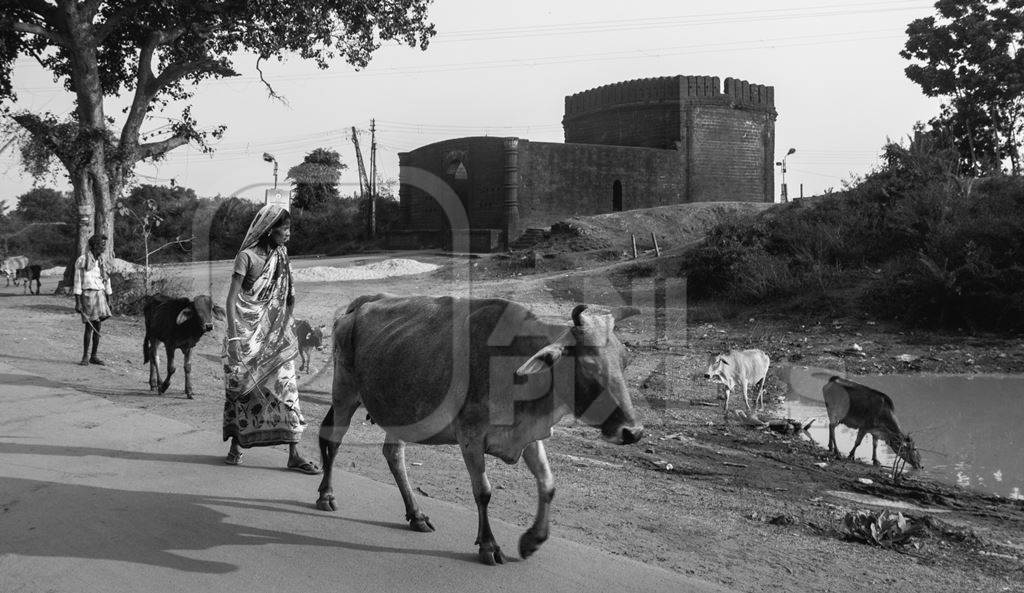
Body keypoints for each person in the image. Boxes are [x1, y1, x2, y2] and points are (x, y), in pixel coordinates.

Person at [222, 204, 320, 474]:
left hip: (276, 335)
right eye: (284, 228)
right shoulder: (246, 257)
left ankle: (294, 453)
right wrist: (233, 339)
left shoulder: (282, 255)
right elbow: (232, 300)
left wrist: (285, 328)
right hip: (245, 335)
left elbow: (286, 297)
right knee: (244, 389)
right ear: (268, 229)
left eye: (289, 228)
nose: (288, 233)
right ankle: (237, 446)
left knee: (287, 390)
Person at [73, 234, 112, 366]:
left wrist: (109, 298)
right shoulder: (82, 260)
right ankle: (85, 356)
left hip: (100, 295)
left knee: (98, 326)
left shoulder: (102, 261)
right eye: (101, 245)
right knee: (89, 327)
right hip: (87, 296)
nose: (104, 247)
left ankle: (94, 356)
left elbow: (107, 281)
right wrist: (77, 302)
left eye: (104, 245)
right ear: (93, 245)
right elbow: (77, 282)